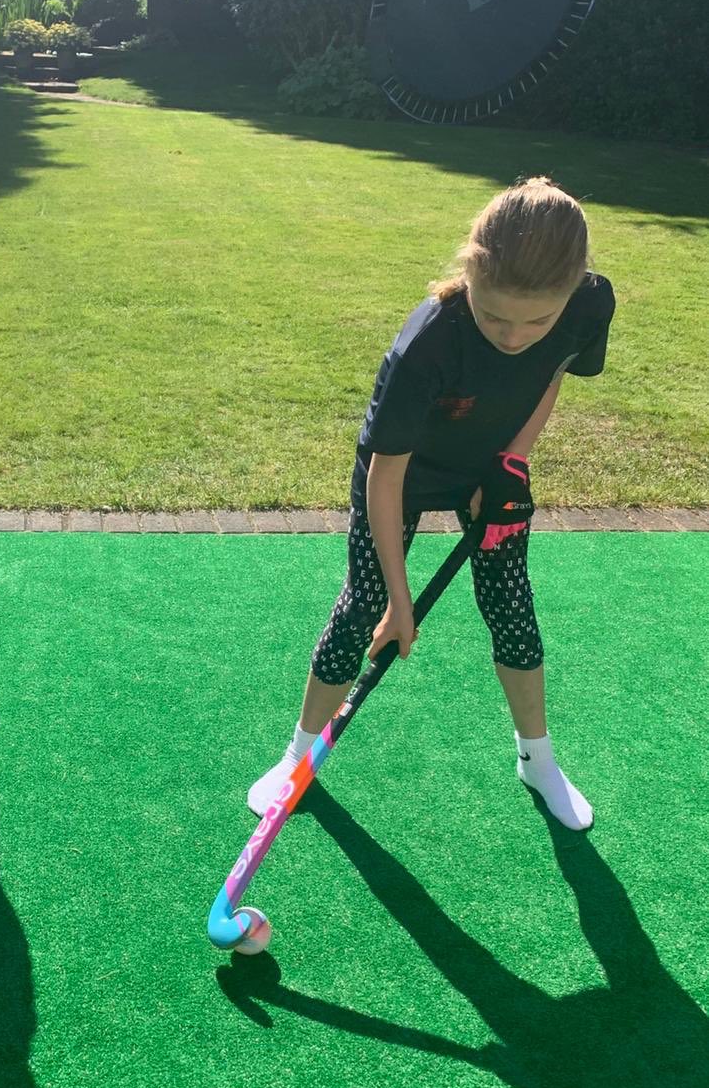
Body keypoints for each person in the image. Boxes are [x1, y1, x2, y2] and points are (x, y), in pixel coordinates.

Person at [250, 177, 615, 830]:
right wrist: (398, 600)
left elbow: (553, 372)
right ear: (469, 274)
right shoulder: (427, 345)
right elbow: (385, 478)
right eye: (494, 315)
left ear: (572, 290)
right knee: (361, 606)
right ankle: (297, 757)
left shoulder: (588, 306)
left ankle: (538, 758)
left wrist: (513, 458)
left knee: (511, 607)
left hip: (491, 468)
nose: (513, 335)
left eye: (536, 319)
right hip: (405, 476)